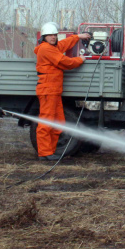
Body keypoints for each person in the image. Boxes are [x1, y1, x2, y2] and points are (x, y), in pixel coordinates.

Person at [34, 22, 91, 161]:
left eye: (54, 35)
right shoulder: (46, 49)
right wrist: (80, 59)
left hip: (54, 91)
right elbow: (65, 62)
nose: (53, 37)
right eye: (50, 35)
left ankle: (51, 151)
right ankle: (44, 153)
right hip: (48, 90)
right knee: (46, 122)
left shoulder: (52, 47)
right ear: (44, 37)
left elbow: (64, 44)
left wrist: (78, 36)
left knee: (58, 122)